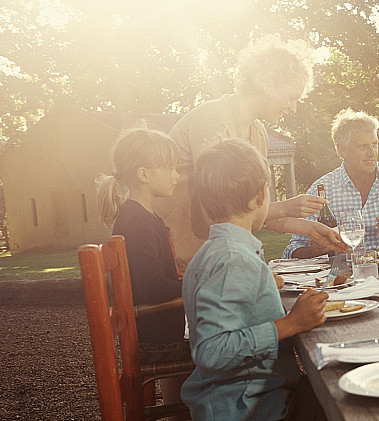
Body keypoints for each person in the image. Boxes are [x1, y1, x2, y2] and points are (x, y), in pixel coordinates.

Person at [157, 36, 347, 272]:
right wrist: (286, 207)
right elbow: (223, 210)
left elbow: (250, 209)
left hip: (218, 258)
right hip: (179, 261)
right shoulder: (212, 122)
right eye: (292, 97)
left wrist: (310, 229)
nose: (293, 108)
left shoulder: (258, 134)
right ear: (269, 84)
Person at [182, 139, 328, 420]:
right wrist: (292, 323)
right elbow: (212, 352)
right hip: (250, 407)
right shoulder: (233, 259)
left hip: (250, 396)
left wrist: (263, 285)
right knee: (348, 400)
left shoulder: (216, 253)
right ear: (258, 197)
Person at [95, 128, 188, 404]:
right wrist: (199, 283)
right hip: (158, 336)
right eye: (170, 168)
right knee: (232, 345)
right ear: (144, 174)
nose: (177, 175)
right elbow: (150, 287)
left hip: (160, 325)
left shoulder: (143, 216)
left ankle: (184, 410)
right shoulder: (137, 222)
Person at [283, 109, 379, 258]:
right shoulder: (321, 190)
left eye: (374, 144)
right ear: (342, 150)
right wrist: (315, 250)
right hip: (343, 276)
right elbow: (293, 249)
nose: (372, 153)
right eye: (363, 146)